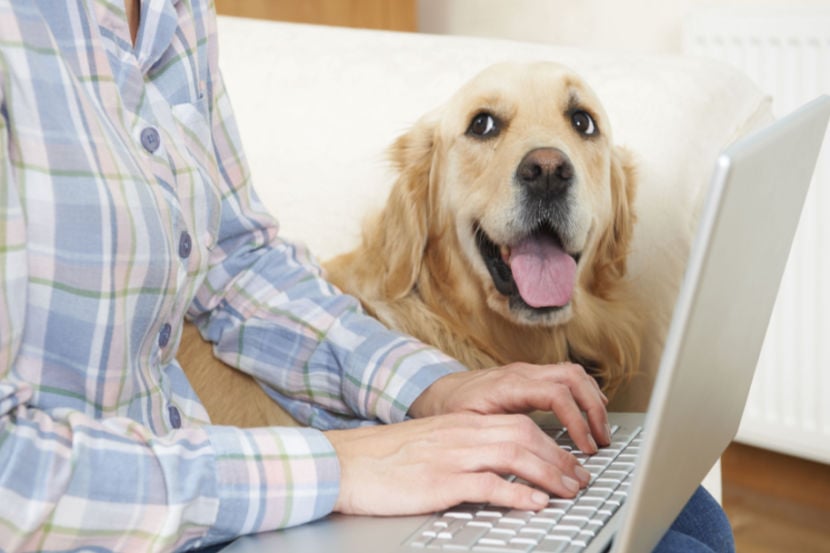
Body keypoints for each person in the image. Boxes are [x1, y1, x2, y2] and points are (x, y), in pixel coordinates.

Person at [0, 1, 733, 551]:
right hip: (107, 511)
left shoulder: (173, 13)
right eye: (488, 127)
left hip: (194, 465)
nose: (546, 161)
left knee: (690, 514)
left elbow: (233, 260)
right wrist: (338, 466)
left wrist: (432, 384)